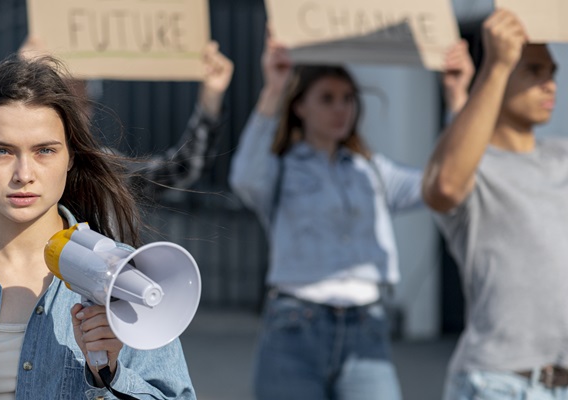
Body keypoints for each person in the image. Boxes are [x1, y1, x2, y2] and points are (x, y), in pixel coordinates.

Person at [0, 55, 195, 399]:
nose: (23, 174)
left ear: (71, 155)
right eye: (1, 151)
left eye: (44, 150)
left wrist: (108, 375)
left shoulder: (129, 276)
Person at [227, 32, 474, 400]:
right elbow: (244, 179)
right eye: (327, 99)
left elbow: (446, 184)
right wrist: (273, 89)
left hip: (367, 328)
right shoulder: (280, 168)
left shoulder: (372, 170)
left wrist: (457, 99)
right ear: (300, 107)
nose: (341, 109)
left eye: (347, 99)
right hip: (294, 326)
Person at [422, 9, 568, 399]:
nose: (550, 84)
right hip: (498, 384)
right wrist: (496, 66)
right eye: (534, 71)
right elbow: (447, 185)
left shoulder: (562, 157)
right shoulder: (475, 170)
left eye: (552, 72)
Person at [19, 36, 234, 195]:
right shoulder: (6, 165)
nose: (70, 117)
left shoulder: (103, 172)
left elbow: (181, 169)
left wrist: (211, 97)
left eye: (80, 104)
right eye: (59, 103)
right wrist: (23, 80)